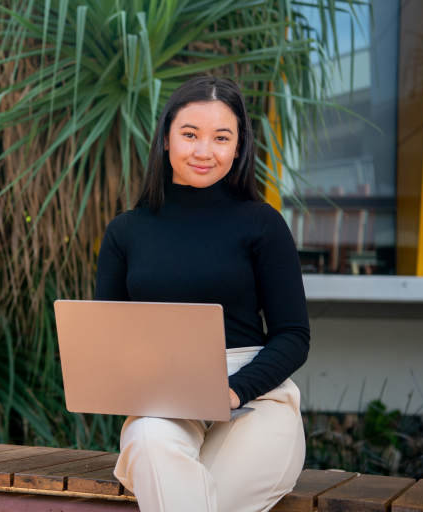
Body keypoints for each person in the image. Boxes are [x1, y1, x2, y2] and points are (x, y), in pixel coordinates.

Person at [94, 76, 310, 512]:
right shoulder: (126, 231)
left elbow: (292, 334)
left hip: (255, 395)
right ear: (166, 139)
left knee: (205, 494)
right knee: (151, 443)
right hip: (164, 398)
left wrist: (231, 391)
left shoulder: (261, 224)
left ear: (237, 147)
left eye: (221, 138)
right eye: (190, 134)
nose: (203, 151)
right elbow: (108, 336)